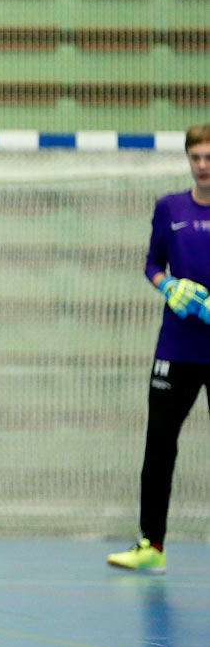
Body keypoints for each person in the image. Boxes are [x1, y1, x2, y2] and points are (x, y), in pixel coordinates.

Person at [107, 124, 210, 575]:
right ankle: (152, 544)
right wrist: (166, 284)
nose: (203, 166)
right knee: (159, 447)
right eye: (196, 158)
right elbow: (152, 263)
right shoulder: (169, 207)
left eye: (209, 157)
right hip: (176, 348)